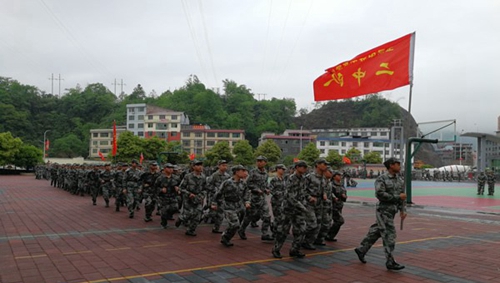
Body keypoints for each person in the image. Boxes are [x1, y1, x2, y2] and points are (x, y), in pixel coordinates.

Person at [354, 157, 407, 271]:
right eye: (397, 164)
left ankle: (361, 249)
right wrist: (397, 197)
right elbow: (380, 194)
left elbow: (403, 197)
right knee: (389, 235)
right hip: (383, 210)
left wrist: (403, 210)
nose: (399, 166)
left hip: (392, 211)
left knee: (377, 231)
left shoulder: (400, 180)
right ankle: (390, 261)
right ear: (391, 165)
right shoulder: (381, 179)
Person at [272, 160, 309, 259]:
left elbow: (304, 193)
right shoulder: (290, 179)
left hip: (298, 209)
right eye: (303, 167)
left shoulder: (304, 179)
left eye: (306, 167)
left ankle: (295, 250)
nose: (305, 169)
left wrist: (306, 202)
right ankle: (276, 249)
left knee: (301, 230)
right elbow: (289, 196)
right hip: (288, 208)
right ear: (297, 167)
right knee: (283, 231)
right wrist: (302, 206)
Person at [212, 165, 251, 247]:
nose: (244, 172)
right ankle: (225, 237)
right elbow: (219, 193)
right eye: (242, 171)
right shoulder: (227, 182)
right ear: (236, 172)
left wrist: (247, 201)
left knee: (236, 225)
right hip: (228, 206)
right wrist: (214, 203)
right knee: (235, 224)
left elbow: (246, 193)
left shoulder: (243, 183)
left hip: (239, 206)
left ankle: (226, 238)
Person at [238, 156, 273, 241]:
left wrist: (266, 189)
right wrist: (256, 189)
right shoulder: (253, 172)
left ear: (265, 162)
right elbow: (248, 184)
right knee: (249, 216)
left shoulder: (265, 173)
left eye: (261, 161)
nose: (259, 162)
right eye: (257, 161)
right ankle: (241, 230)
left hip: (262, 198)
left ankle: (264, 233)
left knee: (267, 216)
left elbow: (265, 184)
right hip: (253, 198)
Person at [176, 159, 207, 236]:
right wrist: (188, 193)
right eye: (198, 165)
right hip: (188, 199)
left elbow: (205, 188)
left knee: (198, 215)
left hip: (198, 199)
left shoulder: (203, 177)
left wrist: (202, 196)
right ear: (193, 167)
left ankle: (190, 230)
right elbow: (181, 188)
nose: (200, 167)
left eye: (201, 165)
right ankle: (181, 218)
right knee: (188, 214)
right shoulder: (188, 176)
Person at [205, 160, 231, 233]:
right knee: (212, 213)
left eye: (226, 165)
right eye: (223, 165)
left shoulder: (227, 176)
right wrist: (215, 190)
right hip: (214, 197)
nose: (225, 167)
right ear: (219, 166)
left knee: (220, 214)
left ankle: (216, 229)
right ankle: (204, 215)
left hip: (222, 198)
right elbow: (208, 185)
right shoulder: (214, 175)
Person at [155, 163, 181, 228]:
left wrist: (178, 189)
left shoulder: (176, 178)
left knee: (175, 208)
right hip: (163, 197)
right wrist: (161, 190)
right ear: (164, 169)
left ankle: (169, 216)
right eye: (169, 168)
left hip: (173, 196)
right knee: (164, 211)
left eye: (172, 168)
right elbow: (155, 188)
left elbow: (180, 186)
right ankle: (164, 223)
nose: (170, 169)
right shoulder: (160, 178)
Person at [326, 170, 347, 242]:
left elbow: (344, 192)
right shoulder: (331, 185)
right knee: (339, 221)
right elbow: (329, 194)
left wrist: (344, 196)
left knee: (335, 221)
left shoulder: (341, 184)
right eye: (339, 175)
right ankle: (328, 235)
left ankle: (329, 235)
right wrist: (334, 197)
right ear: (334, 176)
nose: (340, 177)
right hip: (333, 206)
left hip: (339, 205)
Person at [269, 164, 286, 239]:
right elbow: (271, 190)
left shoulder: (283, 179)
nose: (283, 171)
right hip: (276, 201)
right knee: (277, 217)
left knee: (281, 217)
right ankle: (275, 232)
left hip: (283, 200)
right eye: (282, 169)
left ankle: (277, 230)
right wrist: (279, 193)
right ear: (278, 169)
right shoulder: (274, 179)